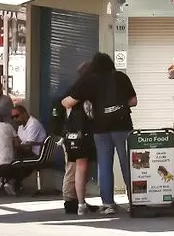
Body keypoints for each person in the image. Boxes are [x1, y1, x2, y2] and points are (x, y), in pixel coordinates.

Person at [62, 52, 137, 215]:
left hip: (100, 129)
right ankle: (134, 201)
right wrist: (119, 106)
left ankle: (108, 204)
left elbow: (69, 101)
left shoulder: (90, 80)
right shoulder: (121, 77)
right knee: (128, 165)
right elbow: (133, 101)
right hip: (123, 127)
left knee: (104, 165)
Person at [53, 61, 97, 216]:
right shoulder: (78, 88)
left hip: (82, 133)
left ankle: (79, 199)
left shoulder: (85, 87)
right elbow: (66, 103)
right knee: (73, 169)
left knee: (82, 169)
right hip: (75, 134)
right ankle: (70, 200)